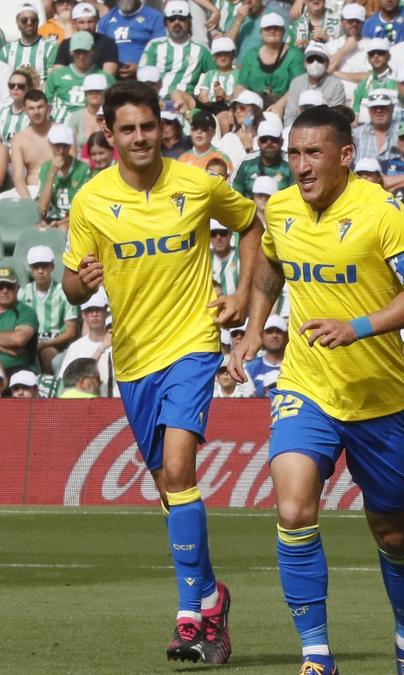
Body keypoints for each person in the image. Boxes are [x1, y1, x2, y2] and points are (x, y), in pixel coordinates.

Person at [230, 104, 404, 674]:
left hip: (379, 396)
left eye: (312, 153)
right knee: (294, 508)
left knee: (393, 532)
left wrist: (359, 327)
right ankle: (317, 656)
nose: (300, 165)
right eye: (294, 153)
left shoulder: (383, 214)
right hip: (307, 386)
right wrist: (253, 328)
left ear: (346, 156)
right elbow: (271, 265)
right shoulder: (282, 212)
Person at [60, 80, 263, 662]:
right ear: (109, 135)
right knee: (169, 487)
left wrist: (243, 295)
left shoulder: (197, 184)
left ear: (162, 128)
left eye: (148, 126)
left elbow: (251, 224)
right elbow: (74, 284)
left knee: (179, 466)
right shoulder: (91, 200)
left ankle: (188, 616)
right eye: (128, 129)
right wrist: (82, 282)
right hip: (134, 358)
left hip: (193, 345)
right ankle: (213, 599)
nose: (140, 137)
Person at [139, 1, 214, 111]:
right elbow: (143, 77)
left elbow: (214, 76)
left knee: (176, 94)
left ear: (189, 22)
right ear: (166, 23)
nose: (177, 22)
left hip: (186, 100)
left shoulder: (201, 49)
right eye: (172, 19)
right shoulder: (154, 46)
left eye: (182, 19)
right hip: (156, 99)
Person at [19, 245, 78, 373]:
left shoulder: (63, 292)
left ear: (52, 267)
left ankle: (49, 389)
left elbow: (70, 331)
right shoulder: (22, 293)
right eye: (36, 267)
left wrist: (45, 344)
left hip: (55, 344)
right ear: (30, 268)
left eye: (44, 266)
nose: (40, 271)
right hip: (27, 344)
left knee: (47, 353)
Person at [235, 13, 305, 110]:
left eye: (276, 28)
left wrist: (279, 106)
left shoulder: (294, 54)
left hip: (285, 104)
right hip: (254, 105)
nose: (272, 31)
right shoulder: (251, 55)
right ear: (261, 32)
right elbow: (241, 86)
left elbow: (300, 85)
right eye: (268, 28)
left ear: (283, 31)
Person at [55, 290, 113, 394]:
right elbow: (66, 383)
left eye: (98, 309)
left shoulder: (118, 344)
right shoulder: (75, 347)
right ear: (83, 315)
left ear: (106, 312)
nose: (94, 314)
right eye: (89, 311)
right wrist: (101, 348)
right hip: (85, 406)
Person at [36, 124, 90, 230]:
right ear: (50, 144)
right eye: (57, 145)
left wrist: (62, 222)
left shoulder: (82, 169)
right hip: (50, 218)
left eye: (65, 146)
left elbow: (84, 206)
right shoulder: (45, 168)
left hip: (73, 219)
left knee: (63, 229)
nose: (61, 151)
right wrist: (52, 174)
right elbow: (42, 207)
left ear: (70, 146)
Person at [281, 42, 348, 126]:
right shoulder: (296, 82)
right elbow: (290, 115)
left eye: (320, 60)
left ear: (327, 63)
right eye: (310, 59)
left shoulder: (336, 85)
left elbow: (337, 118)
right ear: (304, 63)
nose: (315, 63)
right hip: (299, 129)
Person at [98, 0, 166, 79]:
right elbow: (100, 49)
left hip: (143, 76)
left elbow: (160, 49)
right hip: (113, 76)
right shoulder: (106, 19)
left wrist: (140, 67)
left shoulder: (154, 17)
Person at [231, 118, 294, 198]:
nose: (269, 143)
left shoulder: (291, 165)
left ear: (281, 142)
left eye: (274, 139)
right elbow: (234, 196)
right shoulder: (245, 163)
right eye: (264, 139)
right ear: (258, 142)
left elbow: (295, 198)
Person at [2, 3, 60, 80]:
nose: (29, 23)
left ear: (38, 21)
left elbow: (52, 81)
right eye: (24, 20)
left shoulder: (50, 48)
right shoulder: (6, 51)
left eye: (33, 19)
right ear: (17, 21)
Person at [0, 265, 39, 376]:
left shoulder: (26, 312)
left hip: (18, 370)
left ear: (17, 288)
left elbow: (18, 340)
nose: (5, 290)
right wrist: (6, 348)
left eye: (9, 286)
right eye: (0, 287)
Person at [242, 313, 287, 397]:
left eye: (278, 331)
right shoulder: (250, 368)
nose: (274, 335)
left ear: (286, 336)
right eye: (269, 331)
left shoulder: (294, 366)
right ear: (262, 336)